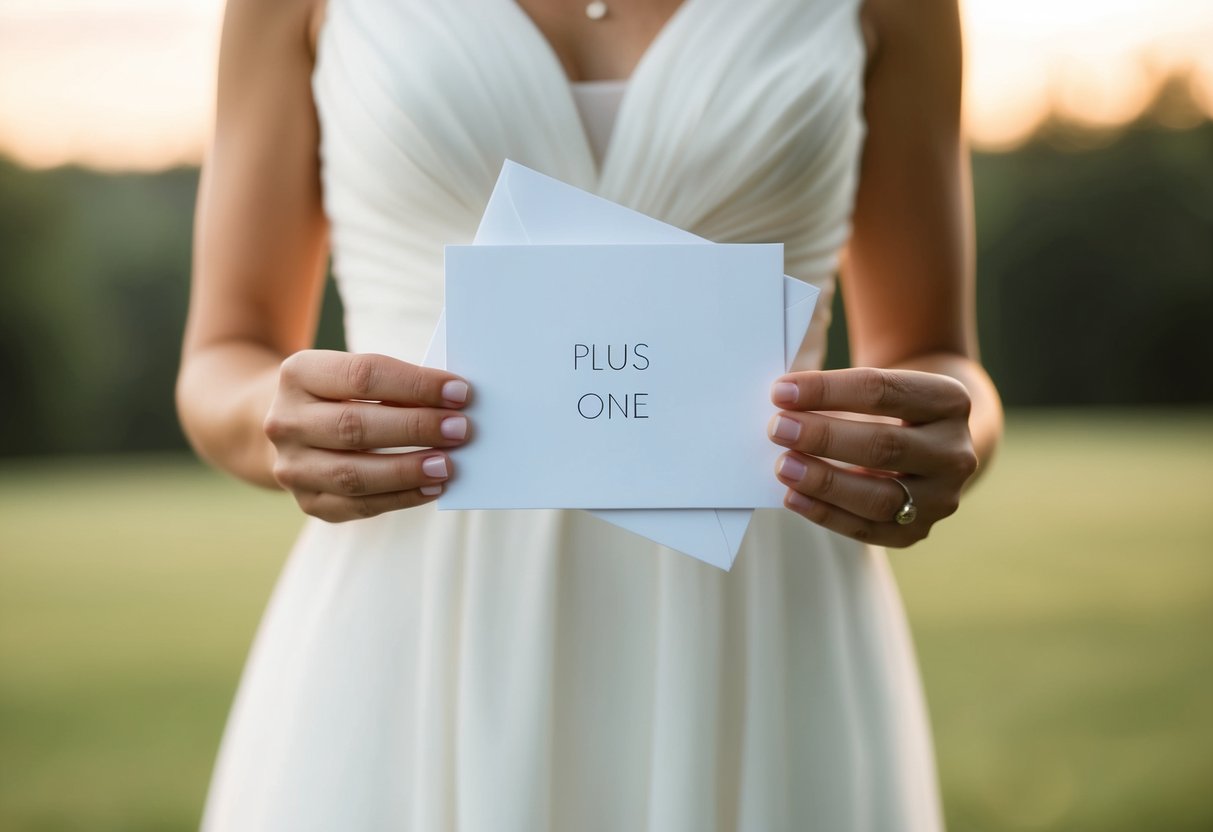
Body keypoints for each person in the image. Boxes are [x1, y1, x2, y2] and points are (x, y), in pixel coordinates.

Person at [177, 0, 1003, 827]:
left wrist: (941, 436)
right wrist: (276, 419)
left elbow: (937, 356)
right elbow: (225, 353)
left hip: (763, 622)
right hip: (413, 622)